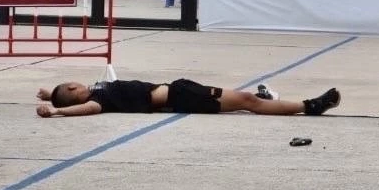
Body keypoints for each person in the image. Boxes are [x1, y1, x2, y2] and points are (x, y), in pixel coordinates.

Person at [35, 79, 341, 117]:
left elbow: (67, 97)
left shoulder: (98, 90)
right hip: (183, 96)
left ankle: (307, 105)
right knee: (250, 102)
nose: (79, 84)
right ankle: (309, 106)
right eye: (72, 86)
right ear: (75, 93)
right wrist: (59, 112)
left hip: (181, 92)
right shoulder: (99, 101)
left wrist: (52, 96)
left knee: (248, 100)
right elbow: (86, 108)